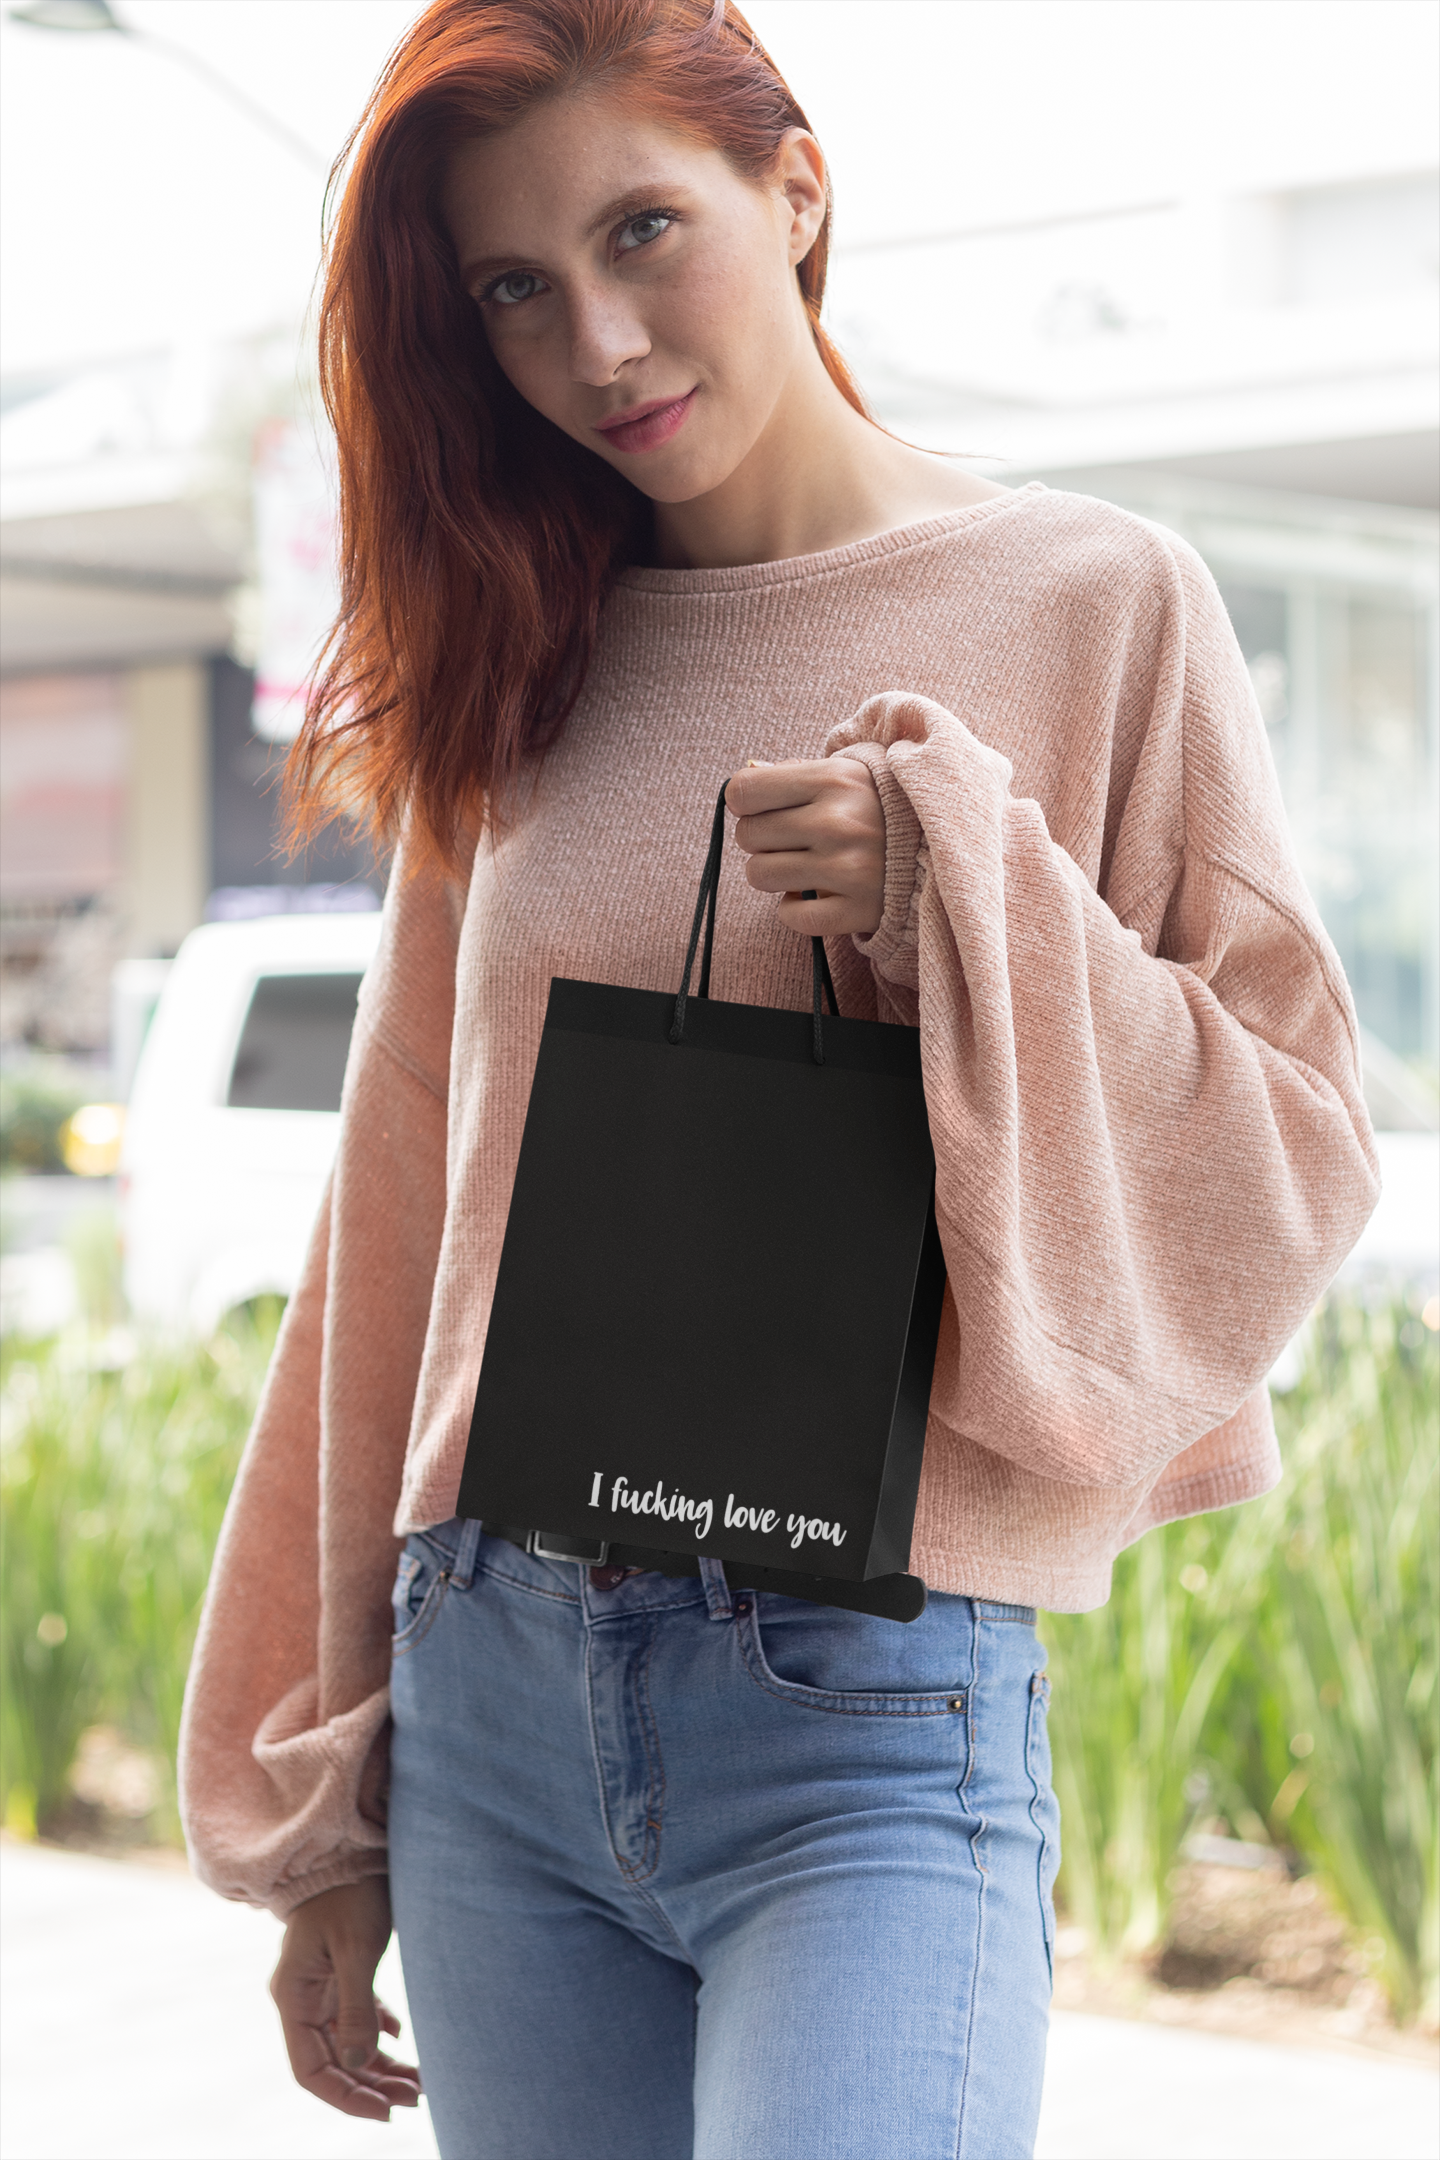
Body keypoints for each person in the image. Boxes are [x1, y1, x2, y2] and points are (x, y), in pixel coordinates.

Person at [178, 4, 1378, 2155]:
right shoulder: (520, 649)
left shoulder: (1094, 600)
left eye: (648, 230)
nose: (602, 341)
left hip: (866, 1716)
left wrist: (972, 892)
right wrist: (325, 1785)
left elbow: (1290, 1146)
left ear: (796, 191)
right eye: (516, 292)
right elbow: (401, 1220)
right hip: (493, 1691)